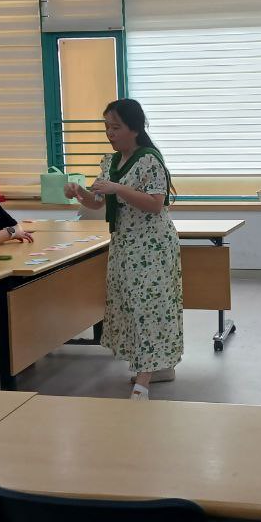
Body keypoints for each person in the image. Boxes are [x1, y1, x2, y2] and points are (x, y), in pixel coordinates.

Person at [64, 99, 183, 399]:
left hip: (152, 247)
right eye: (107, 127)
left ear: (135, 128)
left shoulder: (149, 160)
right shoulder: (109, 162)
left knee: (150, 307)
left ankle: (144, 379)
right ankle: (158, 367)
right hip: (124, 245)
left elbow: (156, 204)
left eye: (115, 127)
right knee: (131, 307)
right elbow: (98, 201)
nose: (110, 133)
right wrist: (80, 193)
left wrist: (118, 188)